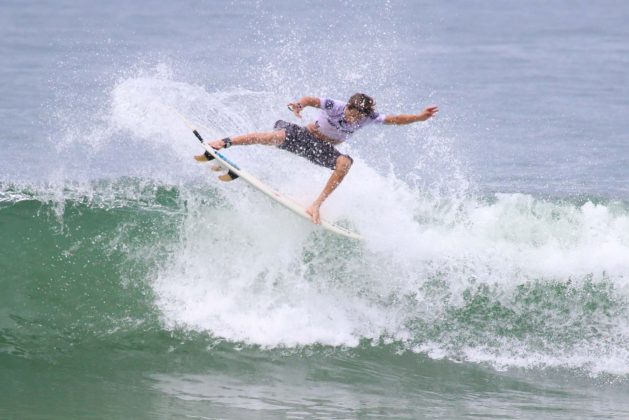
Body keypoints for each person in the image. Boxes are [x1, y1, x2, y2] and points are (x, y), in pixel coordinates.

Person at [196, 93, 438, 224]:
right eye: (351, 114)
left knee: (345, 163)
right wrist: (298, 106)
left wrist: (419, 117)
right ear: (349, 107)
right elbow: (311, 100)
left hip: (321, 150)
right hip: (302, 136)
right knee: (270, 136)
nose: (352, 119)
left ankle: (316, 204)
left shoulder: (369, 117)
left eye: (357, 118)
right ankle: (223, 143)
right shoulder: (336, 105)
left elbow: (395, 120)